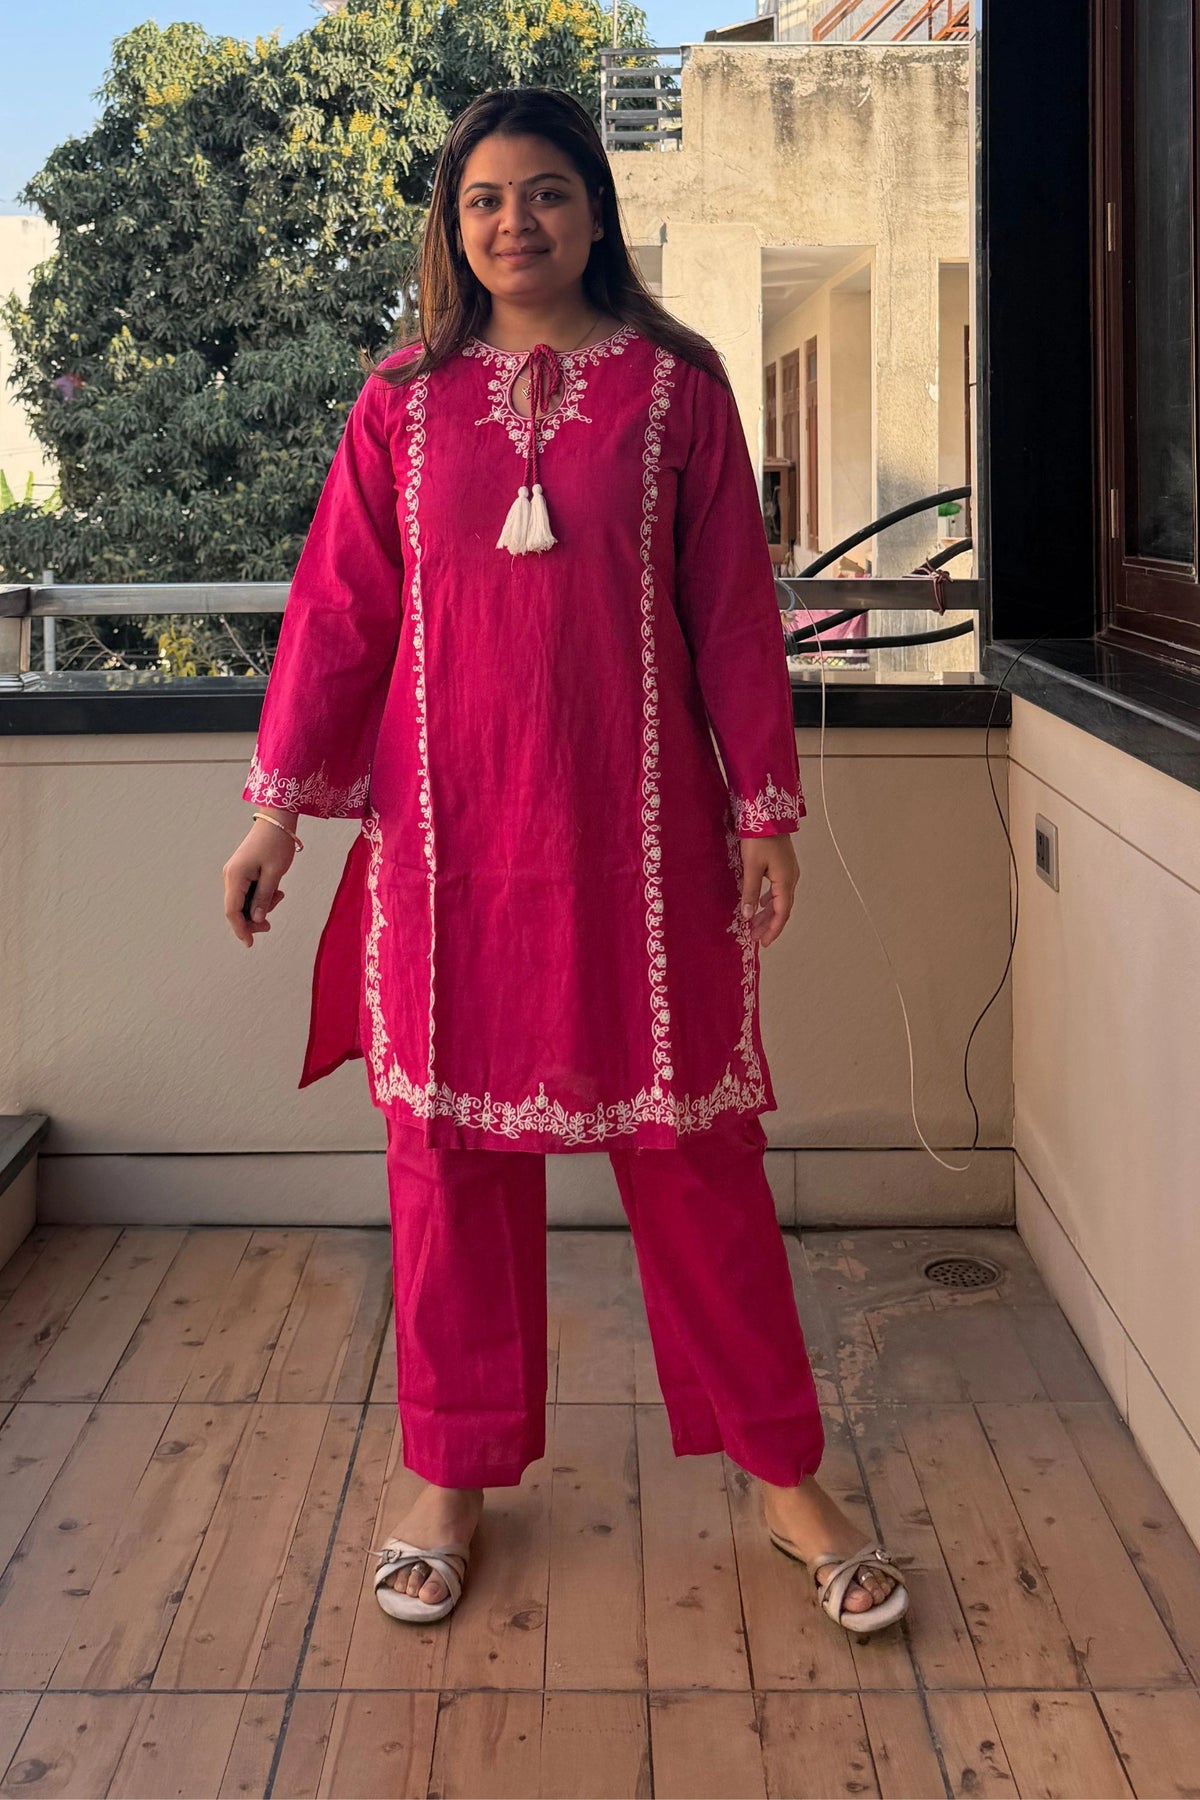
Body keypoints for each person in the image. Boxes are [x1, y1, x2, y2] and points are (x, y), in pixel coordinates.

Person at [221, 86, 909, 1642]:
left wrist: (765, 815)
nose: (512, 222)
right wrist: (277, 818)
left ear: (595, 209)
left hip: (640, 848)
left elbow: (733, 612)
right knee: (447, 1164)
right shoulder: (402, 400)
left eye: (542, 191)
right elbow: (341, 614)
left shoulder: (679, 390)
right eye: (483, 199)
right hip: (449, 845)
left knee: (696, 1158)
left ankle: (787, 1478)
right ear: (451, 227)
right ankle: (448, 1478)